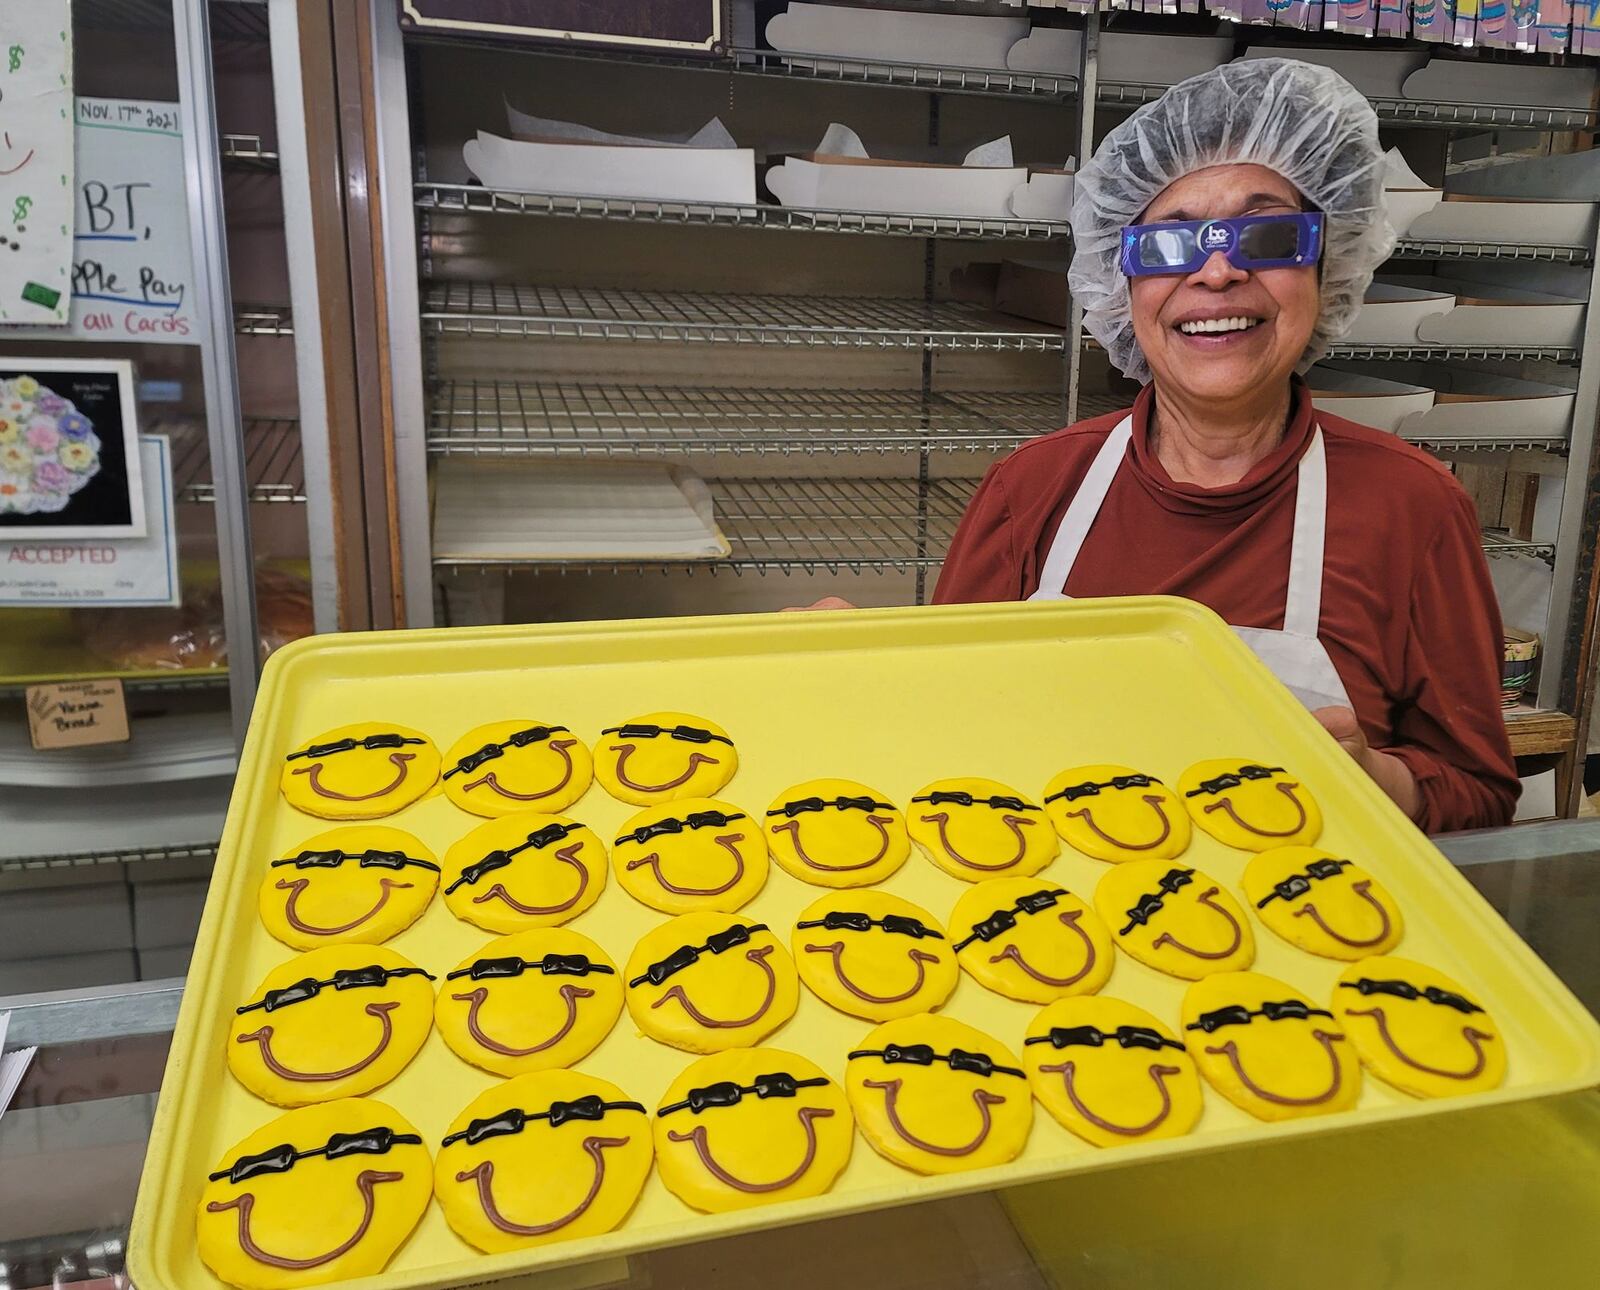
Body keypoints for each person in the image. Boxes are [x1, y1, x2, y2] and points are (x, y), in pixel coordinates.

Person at [800, 59, 1518, 833]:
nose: (1217, 271)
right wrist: (864, 679)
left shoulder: (1413, 507)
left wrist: (1376, 781)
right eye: (1171, 244)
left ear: (1326, 264)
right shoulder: (1035, 489)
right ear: (1121, 283)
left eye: (1269, 233)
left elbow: (1480, 796)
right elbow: (945, 741)